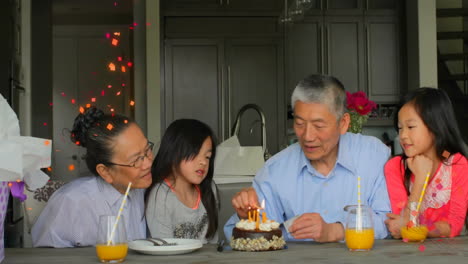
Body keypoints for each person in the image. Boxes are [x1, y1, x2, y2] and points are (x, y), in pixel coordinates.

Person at [224, 74, 391, 242]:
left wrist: (336, 231)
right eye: (299, 124)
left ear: (343, 123)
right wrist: (247, 218)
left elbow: (390, 222)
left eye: (318, 126)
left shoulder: (373, 156)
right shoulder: (275, 170)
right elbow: (248, 237)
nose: (308, 136)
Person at [32, 107, 153, 247]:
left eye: (147, 150)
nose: (148, 163)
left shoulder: (140, 189)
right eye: (135, 160)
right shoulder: (72, 202)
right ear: (105, 172)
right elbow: (46, 256)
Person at [384, 88, 468, 238]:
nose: (402, 135)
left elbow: (454, 226)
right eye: (400, 128)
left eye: (410, 127)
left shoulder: (457, 163)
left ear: (435, 127)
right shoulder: (395, 166)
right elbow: (403, 224)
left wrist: (418, 228)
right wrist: (421, 178)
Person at [145, 119, 219, 244]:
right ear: (174, 153)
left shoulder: (209, 189)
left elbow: (213, 244)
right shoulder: (161, 195)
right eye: (195, 154)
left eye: (207, 157)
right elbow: (164, 249)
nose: (203, 162)